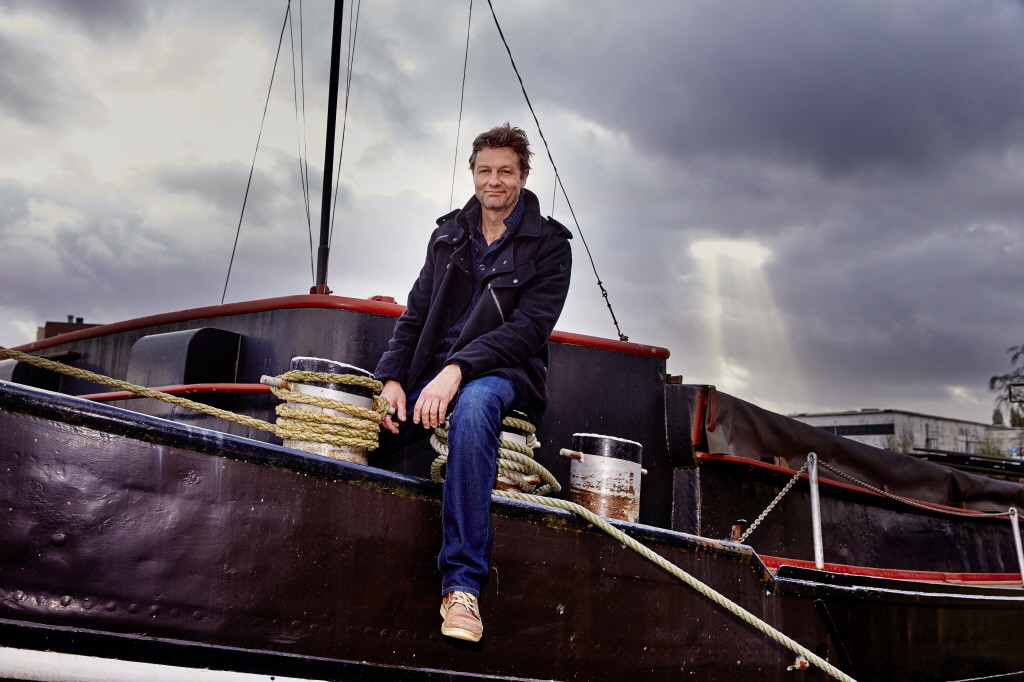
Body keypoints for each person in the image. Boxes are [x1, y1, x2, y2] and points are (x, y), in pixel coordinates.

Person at [373, 123, 572, 642]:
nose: (494, 181)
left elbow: (528, 331)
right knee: (371, 428)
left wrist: (457, 371)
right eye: (485, 171)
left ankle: (462, 585)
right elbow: (415, 314)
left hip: (504, 373)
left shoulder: (549, 246)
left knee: (475, 408)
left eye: (505, 171)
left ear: (523, 176)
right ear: (474, 174)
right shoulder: (447, 234)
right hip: (434, 372)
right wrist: (392, 379)